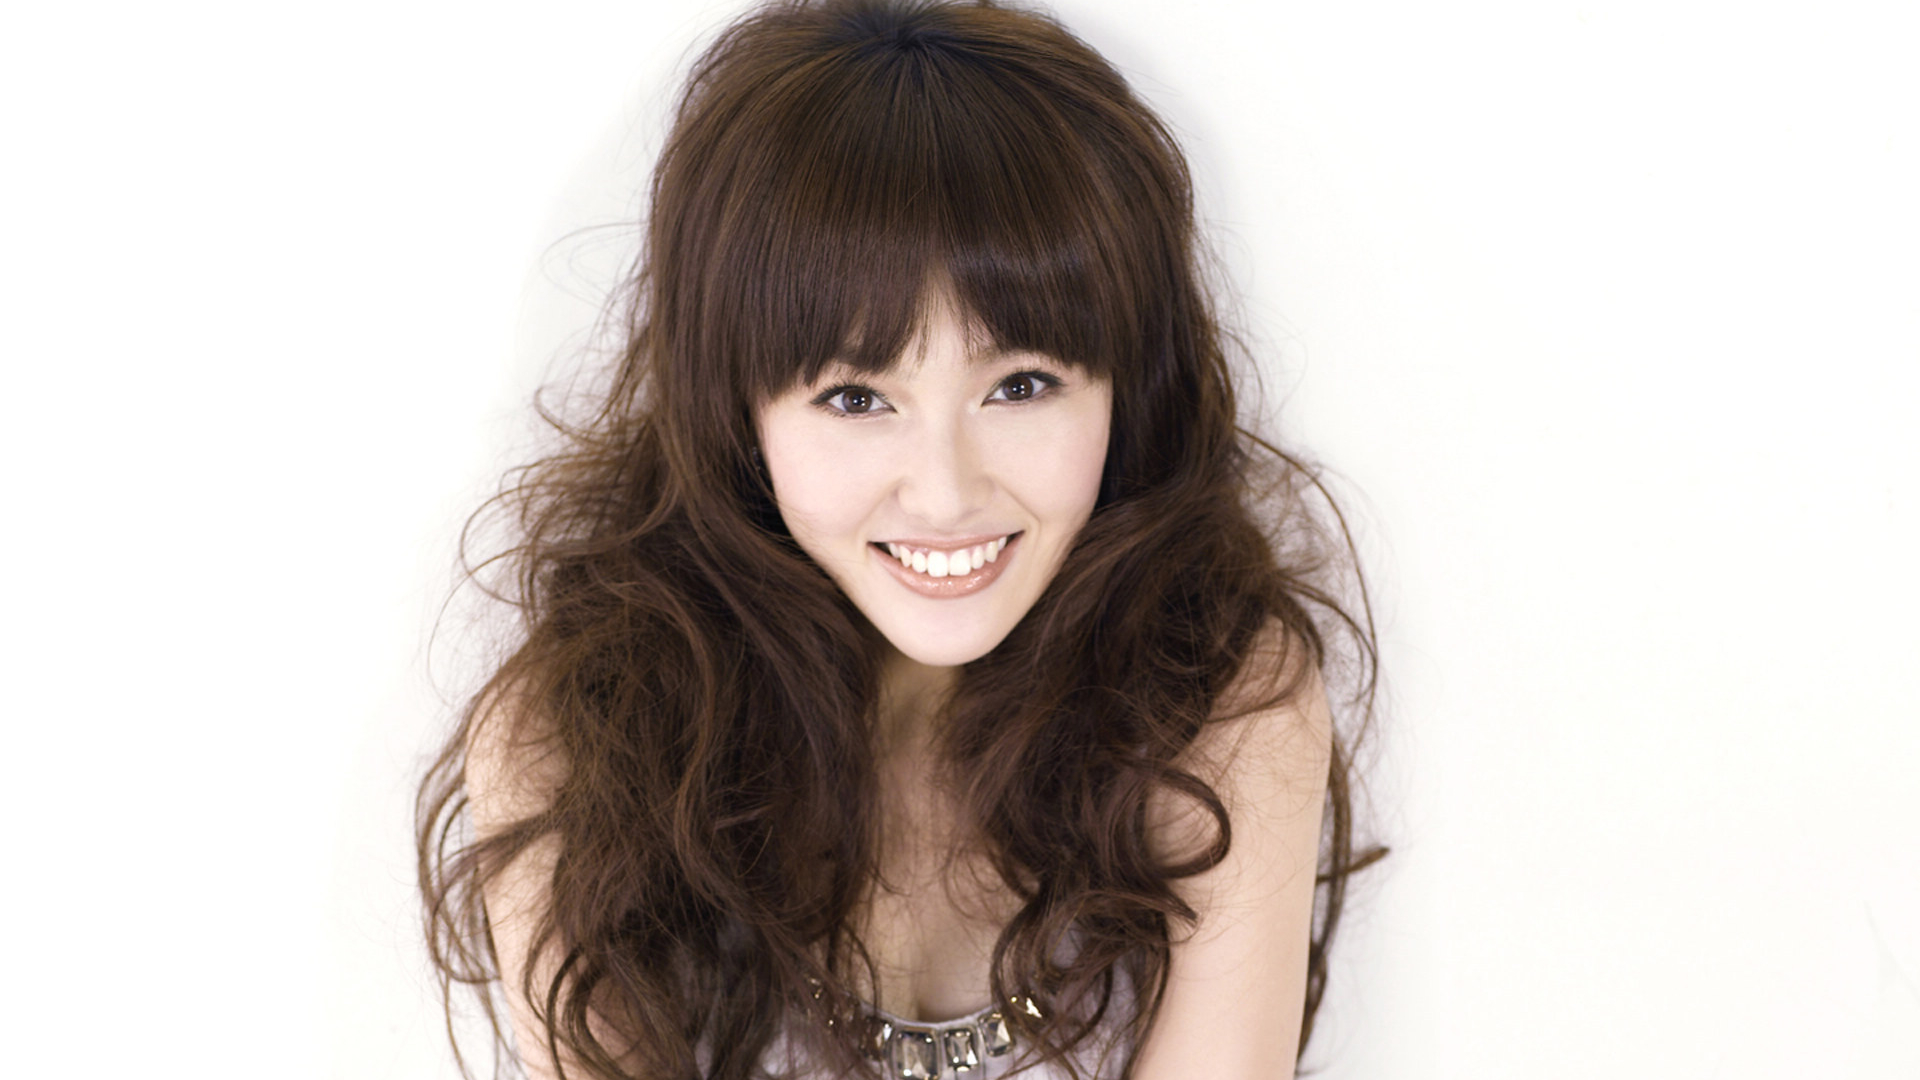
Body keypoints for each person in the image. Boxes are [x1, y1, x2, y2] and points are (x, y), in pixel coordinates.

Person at [417, 1, 1381, 1077]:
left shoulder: (1220, 706)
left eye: (1022, 384)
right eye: (856, 398)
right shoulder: (574, 743)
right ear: (737, 411)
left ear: (1127, 386)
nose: (945, 493)